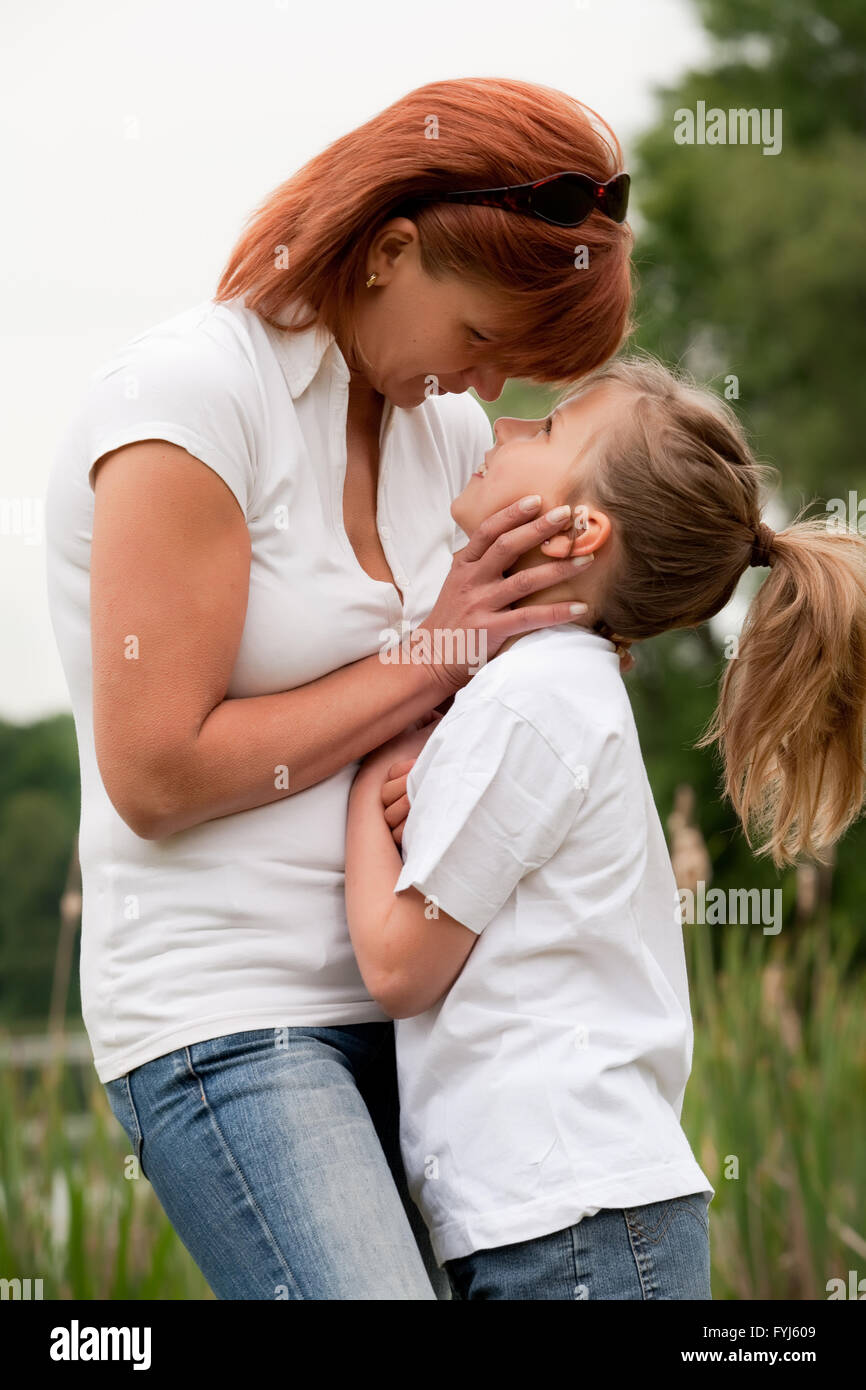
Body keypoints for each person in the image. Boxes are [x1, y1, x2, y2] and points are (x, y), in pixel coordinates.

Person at [43, 76, 633, 1300]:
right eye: (479, 341)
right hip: (233, 1014)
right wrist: (435, 662)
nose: (486, 389)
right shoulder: (189, 404)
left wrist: (495, 693)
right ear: (389, 250)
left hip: (428, 1015)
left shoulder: (448, 436)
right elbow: (156, 773)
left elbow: (506, 661)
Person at [344, 353, 866, 1300]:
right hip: (573, 1224)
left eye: (544, 432)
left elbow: (396, 967)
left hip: (571, 1227)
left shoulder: (538, 701)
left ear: (580, 530)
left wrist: (361, 775)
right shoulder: (545, 689)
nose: (501, 428)